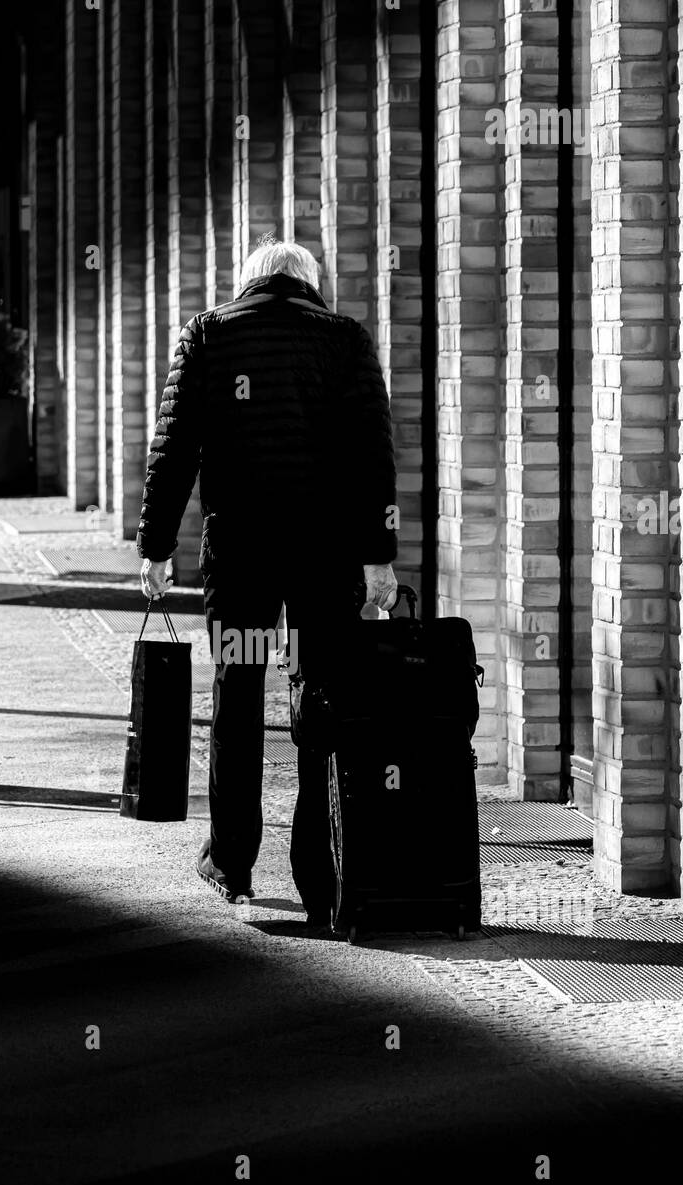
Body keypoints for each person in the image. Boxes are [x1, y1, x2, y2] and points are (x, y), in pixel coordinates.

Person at [137, 237, 398, 918]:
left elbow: (174, 450)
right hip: (324, 553)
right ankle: (320, 876)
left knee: (238, 693)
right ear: (309, 284)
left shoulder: (209, 335)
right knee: (321, 698)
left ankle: (232, 863)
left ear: (249, 282)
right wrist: (377, 559)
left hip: (240, 551)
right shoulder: (344, 340)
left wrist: (155, 546)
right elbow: (373, 456)